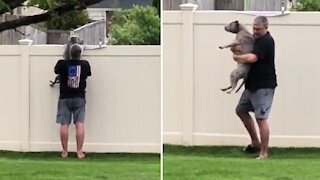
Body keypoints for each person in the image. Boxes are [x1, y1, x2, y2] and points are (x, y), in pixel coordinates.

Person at [231, 16, 277, 159]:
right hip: (251, 84)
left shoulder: (266, 41)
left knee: (261, 118)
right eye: (254, 28)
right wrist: (236, 50)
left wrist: (237, 58)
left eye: (258, 29)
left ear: (266, 27)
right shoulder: (254, 39)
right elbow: (245, 51)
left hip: (264, 85)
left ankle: (263, 153)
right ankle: (255, 143)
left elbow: (252, 58)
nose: (255, 31)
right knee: (241, 110)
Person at [54, 43, 92, 158]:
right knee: (79, 124)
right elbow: (88, 73)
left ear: (69, 53)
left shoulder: (62, 64)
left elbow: (56, 70)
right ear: (80, 54)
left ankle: (64, 151)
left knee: (64, 124)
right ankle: (79, 151)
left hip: (64, 97)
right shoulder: (85, 64)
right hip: (79, 97)